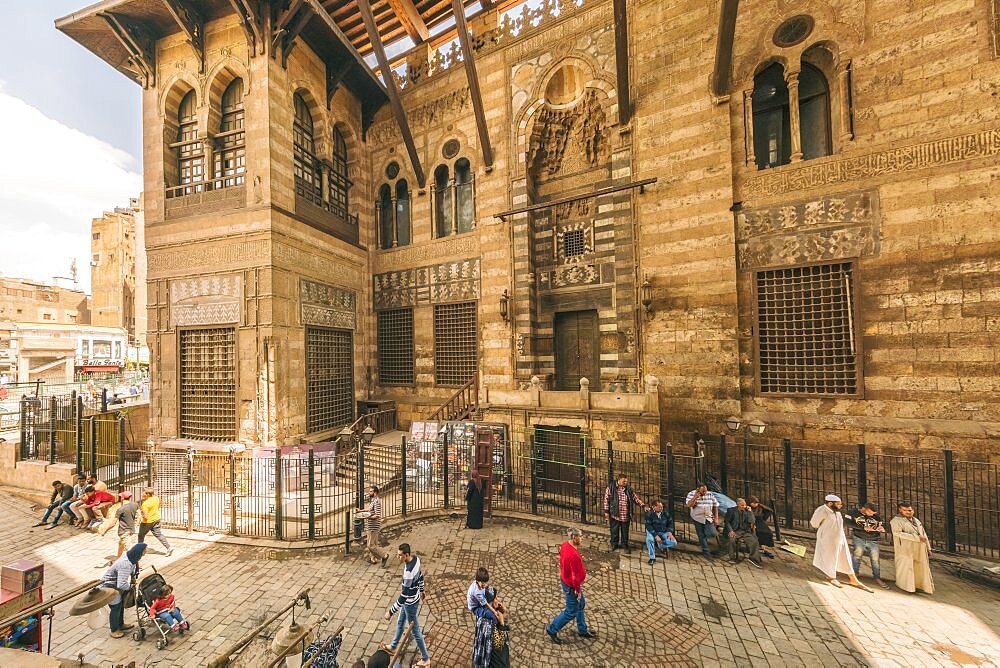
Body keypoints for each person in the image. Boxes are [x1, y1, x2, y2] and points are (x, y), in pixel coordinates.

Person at [545, 527, 597, 644]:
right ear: (574, 537)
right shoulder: (573, 556)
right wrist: (577, 590)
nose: (582, 538)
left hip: (566, 580)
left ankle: (582, 629)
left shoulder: (565, 545)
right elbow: (574, 577)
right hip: (571, 586)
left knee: (581, 605)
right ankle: (552, 629)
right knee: (570, 611)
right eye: (580, 536)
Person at [810, 494, 872, 591]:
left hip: (840, 538)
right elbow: (814, 523)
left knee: (845, 558)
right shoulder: (822, 511)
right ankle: (831, 577)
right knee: (829, 558)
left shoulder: (836, 511)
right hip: (827, 539)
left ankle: (853, 579)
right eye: (838, 504)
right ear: (830, 503)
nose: (840, 506)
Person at [382, 543, 430, 667]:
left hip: (410, 603)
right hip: (413, 599)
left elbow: (403, 596)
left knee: (415, 632)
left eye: (400, 556)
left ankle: (425, 658)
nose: (398, 558)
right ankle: (393, 646)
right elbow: (420, 576)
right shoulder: (416, 559)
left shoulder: (408, 571)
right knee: (400, 621)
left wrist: (390, 612)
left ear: (407, 555)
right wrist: (421, 589)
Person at [99, 542, 146, 638]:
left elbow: (132, 571)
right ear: (139, 552)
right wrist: (129, 587)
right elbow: (121, 583)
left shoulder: (131, 557)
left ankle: (120, 624)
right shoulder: (125, 564)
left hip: (116, 585)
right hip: (109, 586)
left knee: (120, 605)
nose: (145, 552)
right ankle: (114, 629)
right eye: (144, 551)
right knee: (116, 607)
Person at [889, 501, 934, 594]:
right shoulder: (896, 521)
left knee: (919, 567)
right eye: (905, 510)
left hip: (919, 548)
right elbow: (897, 533)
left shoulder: (917, 521)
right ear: (900, 510)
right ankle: (906, 587)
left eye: (909, 510)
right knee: (906, 567)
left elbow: (923, 534)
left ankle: (918, 586)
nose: (908, 512)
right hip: (905, 548)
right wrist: (916, 538)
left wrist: (928, 548)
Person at [843, 502, 889, 589]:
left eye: (874, 514)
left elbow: (880, 525)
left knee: (875, 559)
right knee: (857, 556)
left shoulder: (876, 516)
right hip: (859, 538)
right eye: (871, 513)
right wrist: (863, 528)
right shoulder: (853, 512)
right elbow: (847, 523)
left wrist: (881, 529)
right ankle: (854, 574)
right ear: (865, 509)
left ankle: (877, 577)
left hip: (873, 540)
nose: (873, 515)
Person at [602, 474, 648, 552]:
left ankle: (625, 545)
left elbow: (635, 498)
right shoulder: (611, 487)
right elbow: (606, 499)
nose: (626, 482)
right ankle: (614, 544)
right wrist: (606, 511)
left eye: (626, 481)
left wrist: (643, 505)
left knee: (625, 532)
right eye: (624, 481)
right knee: (614, 530)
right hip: (615, 514)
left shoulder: (629, 489)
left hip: (625, 514)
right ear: (618, 480)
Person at [723, 498, 762, 568]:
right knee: (732, 540)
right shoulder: (731, 510)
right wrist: (730, 531)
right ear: (737, 505)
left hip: (745, 531)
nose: (744, 507)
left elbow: (752, 521)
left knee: (754, 541)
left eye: (745, 505)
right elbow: (727, 522)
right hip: (735, 530)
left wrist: (750, 512)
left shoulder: (747, 511)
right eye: (742, 505)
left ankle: (753, 559)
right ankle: (732, 557)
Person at [685, 483, 720, 559]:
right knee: (701, 535)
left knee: (712, 533)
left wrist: (716, 518)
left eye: (705, 491)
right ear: (698, 490)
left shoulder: (709, 494)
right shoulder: (691, 494)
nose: (704, 493)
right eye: (703, 491)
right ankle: (706, 552)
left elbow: (715, 505)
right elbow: (688, 505)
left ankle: (708, 544)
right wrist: (695, 497)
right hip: (697, 518)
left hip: (708, 517)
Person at [358, 485, 388, 567]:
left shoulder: (377, 501)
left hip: (373, 526)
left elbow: (377, 515)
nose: (369, 492)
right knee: (373, 543)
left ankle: (384, 555)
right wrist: (361, 511)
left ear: (375, 492)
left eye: (370, 491)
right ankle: (373, 559)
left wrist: (367, 517)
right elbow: (369, 510)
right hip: (371, 525)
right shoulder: (373, 500)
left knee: (370, 545)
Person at [139, 488, 173, 556]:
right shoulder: (156, 498)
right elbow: (157, 507)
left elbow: (145, 516)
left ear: (148, 494)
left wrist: (141, 515)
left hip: (147, 522)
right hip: (156, 519)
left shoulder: (145, 504)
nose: (142, 493)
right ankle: (169, 547)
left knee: (141, 536)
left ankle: (140, 551)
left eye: (144, 492)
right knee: (158, 534)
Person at [644, 500, 677, 565]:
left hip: (663, 531)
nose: (661, 508)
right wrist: (656, 536)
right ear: (654, 507)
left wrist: (669, 532)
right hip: (652, 531)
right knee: (649, 540)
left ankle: (660, 545)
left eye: (662, 507)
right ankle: (652, 558)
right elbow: (648, 526)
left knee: (674, 542)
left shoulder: (666, 513)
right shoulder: (649, 514)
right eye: (659, 507)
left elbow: (670, 523)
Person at [112, 491, 140, 563]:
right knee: (121, 544)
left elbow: (113, 522)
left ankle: (138, 565)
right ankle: (118, 559)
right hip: (131, 529)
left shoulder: (120, 509)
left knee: (129, 549)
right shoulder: (135, 505)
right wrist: (136, 524)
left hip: (123, 531)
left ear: (122, 498)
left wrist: (105, 530)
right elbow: (139, 515)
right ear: (130, 497)